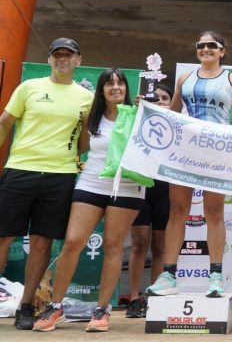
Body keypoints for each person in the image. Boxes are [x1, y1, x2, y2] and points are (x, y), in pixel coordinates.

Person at [146, 31, 232, 298]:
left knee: (214, 212)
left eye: (212, 45)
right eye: (201, 45)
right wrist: (148, 110)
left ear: (222, 51)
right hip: (185, 151)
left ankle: (216, 276)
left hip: (216, 153)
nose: (205, 49)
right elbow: (173, 113)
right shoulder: (185, 78)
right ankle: (168, 276)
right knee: (177, 210)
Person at [32, 69, 144, 332]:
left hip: (127, 187)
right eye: (109, 84)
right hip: (91, 183)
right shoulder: (91, 117)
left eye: (120, 83)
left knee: (113, 247)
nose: (115, 87)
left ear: (126, 88)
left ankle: (102, 310)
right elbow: (79, 147)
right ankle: (55, 306)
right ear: (101, 90)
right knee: (72, 242)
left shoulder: (138, 115)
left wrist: (146, 111)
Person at [0, 38, 93, 330]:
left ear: (78, 60)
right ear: (49, 59)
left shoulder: (87, 97)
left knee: (41, 244)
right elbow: (4, 123)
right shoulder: (28, 87)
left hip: (60, 176)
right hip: (20, 170)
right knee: (2, 238)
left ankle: (26, 306)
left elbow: (84, 141)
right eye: (57, 54)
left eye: (68, 54)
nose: (62, 59)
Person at [125, 82, 173, 318]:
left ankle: (155, 297)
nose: (160, 102)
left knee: (160, 247)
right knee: (139, 244)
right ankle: (134, 298)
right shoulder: (139, 120)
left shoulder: (178, 125)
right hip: (141, 186)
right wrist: (138, 109)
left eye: (165, 99)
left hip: (165, 189)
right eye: (156, 98)